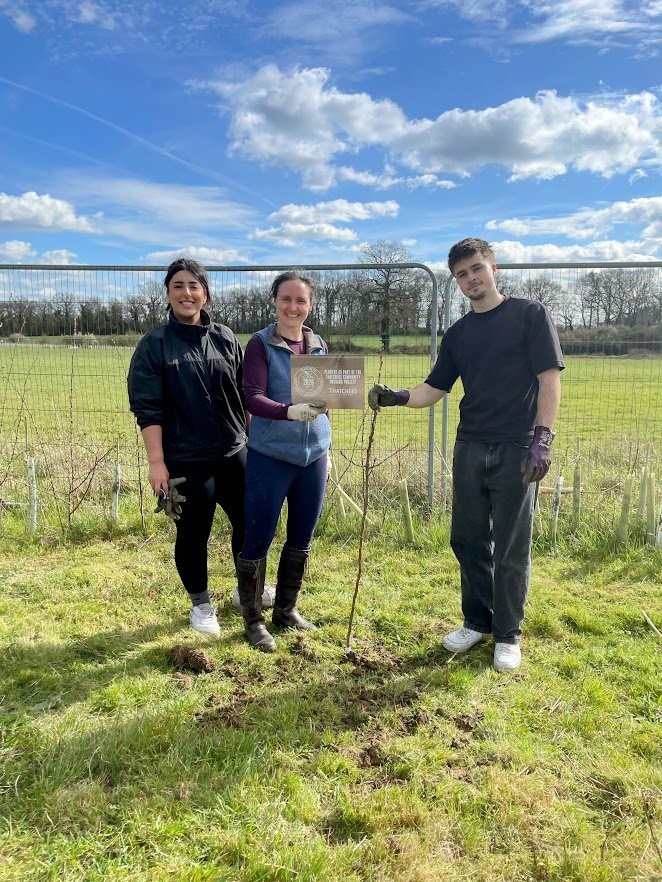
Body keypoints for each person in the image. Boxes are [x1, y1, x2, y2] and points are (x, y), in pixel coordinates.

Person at [368, 238, 563, 671]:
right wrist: (397, 396)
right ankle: (477, 621)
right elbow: (433, 389)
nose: (471, 278)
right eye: (461, 274)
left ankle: (508, 634)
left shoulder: (530, 315)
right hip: (470, 445)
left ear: (493, 268)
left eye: (477, 268)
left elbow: (549, 379)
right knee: (468, 538)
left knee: (511, 545)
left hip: (517, 447)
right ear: (456, 281)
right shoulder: (458, 334)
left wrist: (542, 439)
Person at [128, 258, 253, 638]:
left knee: (251, 525)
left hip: (234, 452)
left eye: (194, 285)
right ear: (167, 293)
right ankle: (201, 604)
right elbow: (147, 410)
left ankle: (246, 590)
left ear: (206, 293)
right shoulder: (154, 346)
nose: (187, 293)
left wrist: (249, 439)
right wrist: (157, 463)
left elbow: (245, 395)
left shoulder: (226, 338)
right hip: (186, 458)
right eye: (178, 285)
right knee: (194, 533)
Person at [236, 270, 331, 652]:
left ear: (311, 305)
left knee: (302, 537)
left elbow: (326, 400)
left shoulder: (319, 343)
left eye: (301, 301)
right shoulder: (260, 344)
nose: (293, 307)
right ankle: (254, 620)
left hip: (314, 458)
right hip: (271, 455)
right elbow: (252, 397)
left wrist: (326, 439)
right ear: (274, 301)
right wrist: (290, 412)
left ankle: (286, 609)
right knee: (258, 535)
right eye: (286, 299)